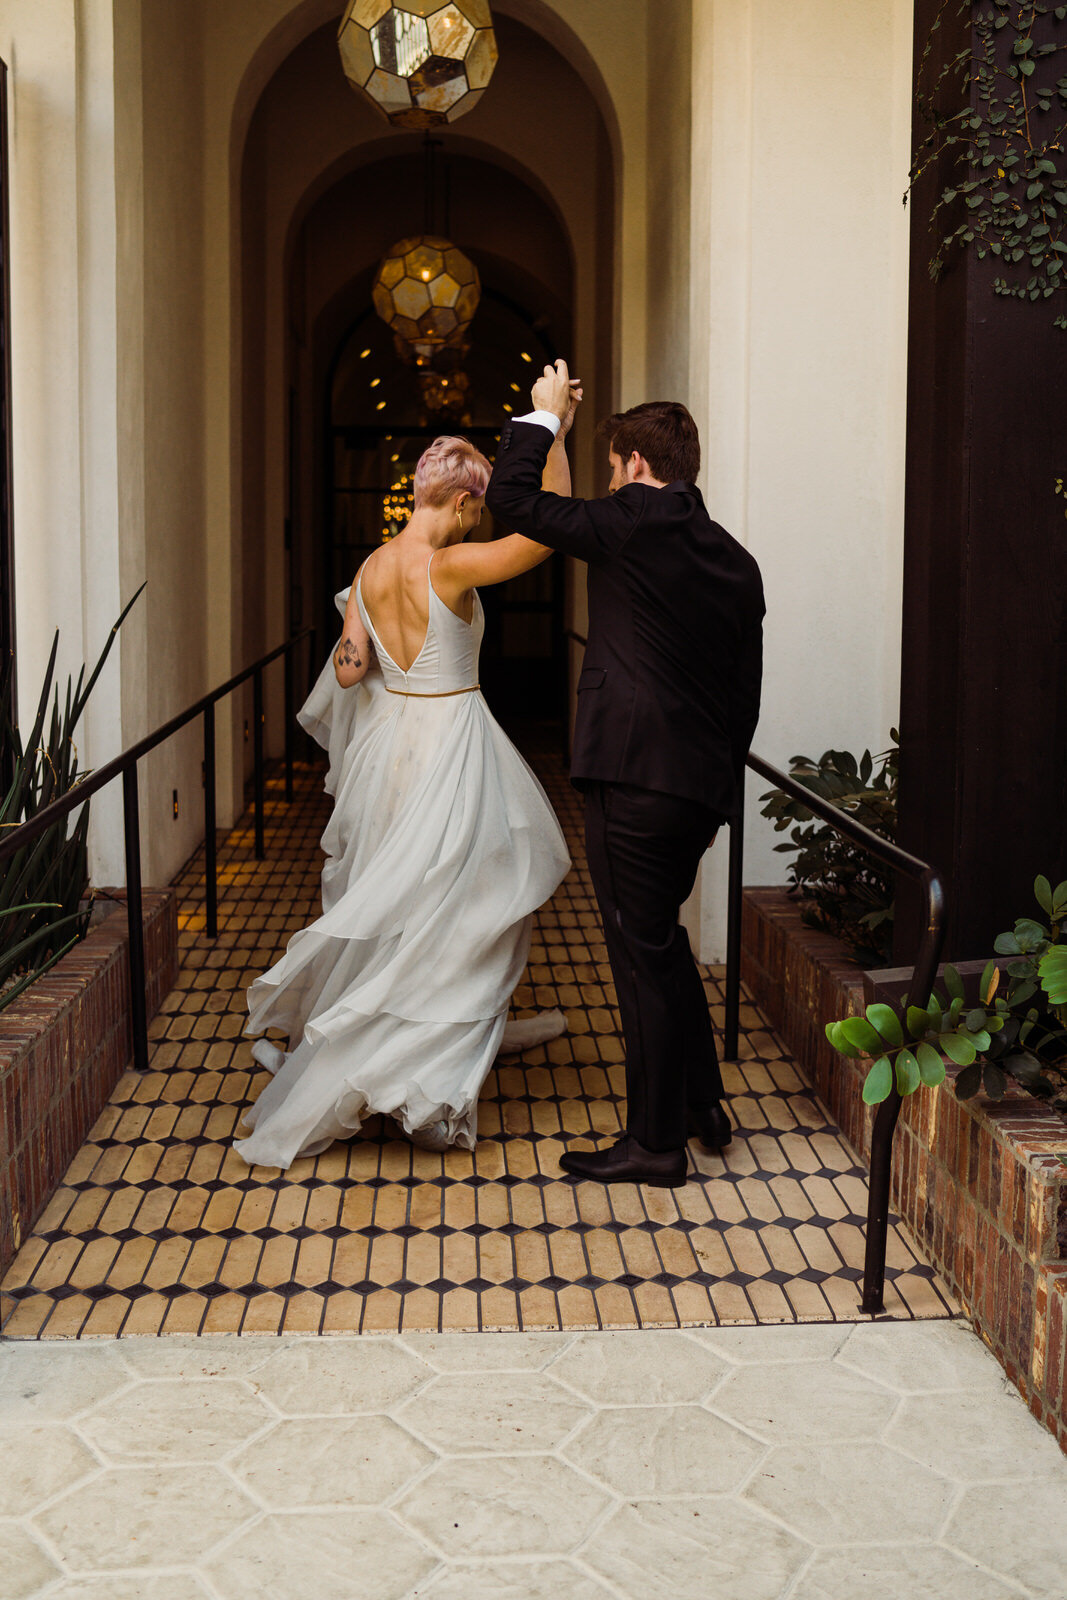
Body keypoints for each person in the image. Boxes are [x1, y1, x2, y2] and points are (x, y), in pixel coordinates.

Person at [233, 410, 580, 1170]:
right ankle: (427, 1085)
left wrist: (369, 636)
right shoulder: (448, 567)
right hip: (452, 741)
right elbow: (550, 534)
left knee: (402, 910)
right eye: (476, 512)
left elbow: (351, 669)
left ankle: (409, 1059)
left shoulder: (367, 569)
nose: (473, 525)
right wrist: (554, 436)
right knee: (466, 911)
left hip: (390, 750)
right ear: (460, 503)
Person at [487, 362, 765, 1189]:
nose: (609, 482)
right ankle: (699, 1104)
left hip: (633, 779)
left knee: (638, 953)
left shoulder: (631, 520)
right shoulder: (735, 559)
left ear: (637, 465)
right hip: (698, 785)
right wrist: (714, 776)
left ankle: (653, 1145)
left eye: (612, 467)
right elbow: (743, 692)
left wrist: (540, 421)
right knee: (664, 941)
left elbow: (512, 503)